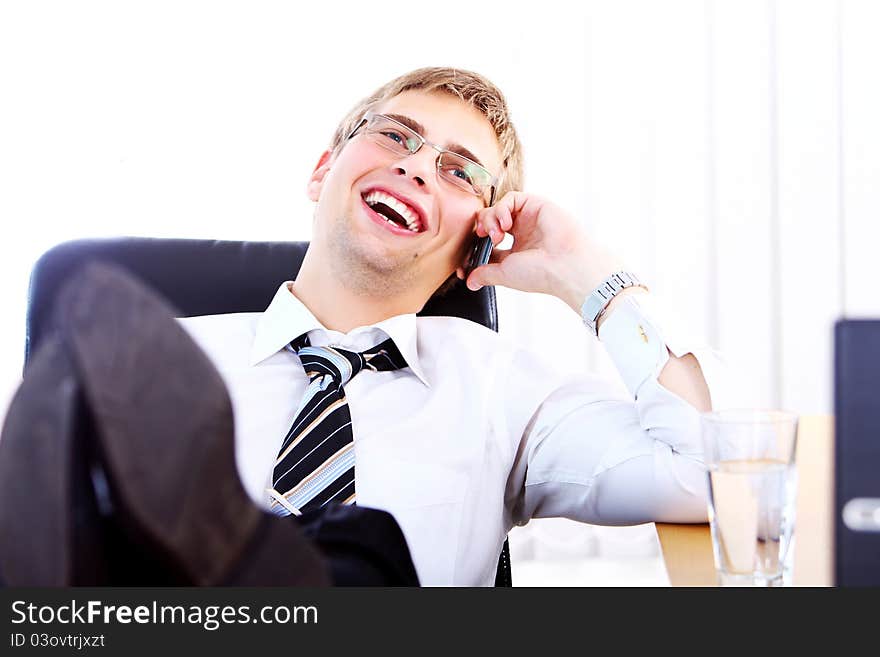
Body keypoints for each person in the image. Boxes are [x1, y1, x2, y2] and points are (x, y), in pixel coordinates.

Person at [178, 66, 721, 586]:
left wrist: (587, 277)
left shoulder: (502, 391)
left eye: (459, 172)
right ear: (323, 171)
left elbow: (710, 475)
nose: (415, 169)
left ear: (473, 251)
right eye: (394, 137)